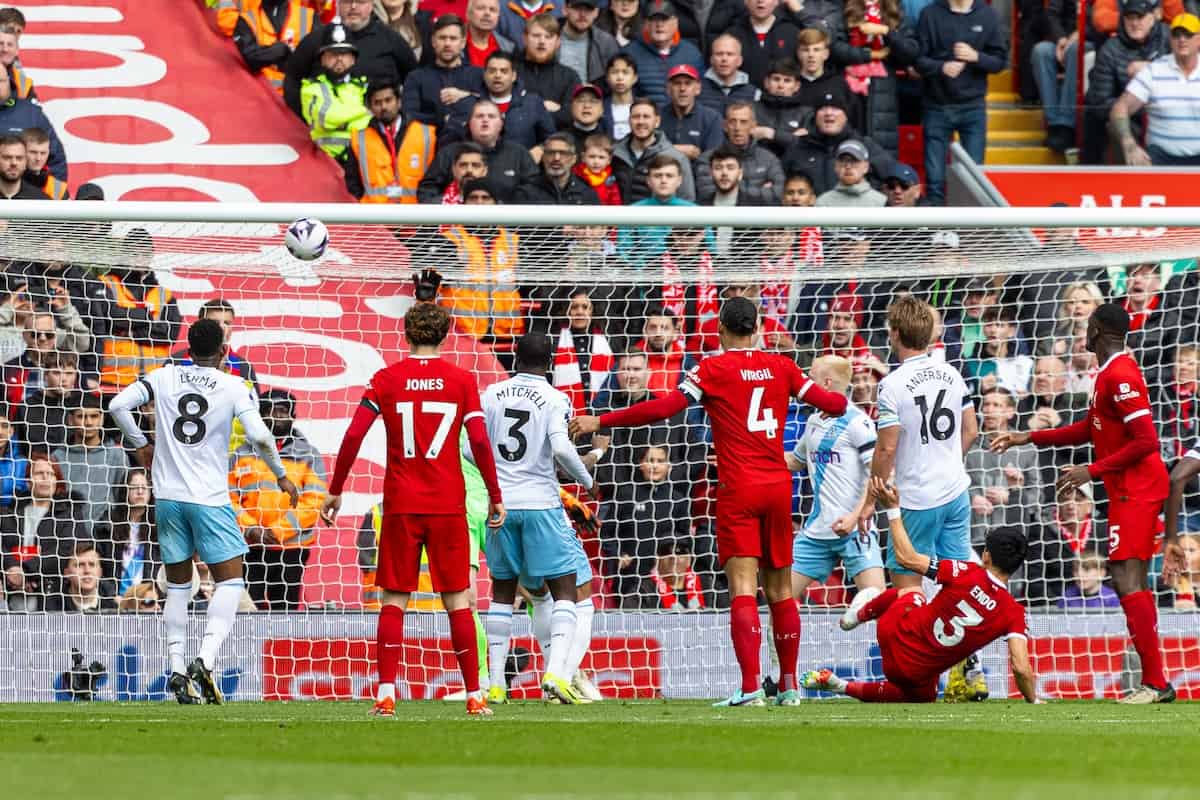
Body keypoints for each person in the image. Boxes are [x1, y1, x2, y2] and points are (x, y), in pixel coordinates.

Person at [570, 296, 849, 707]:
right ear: (758, 329)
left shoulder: (712, 368)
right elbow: (836, 404)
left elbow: (664, 407)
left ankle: (751, 687)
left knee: (742, 589)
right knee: (780, 592)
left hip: (738, 488)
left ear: (720, 330)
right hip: (777, 487)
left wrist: (602, 419)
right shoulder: (783, 367)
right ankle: (789, 687)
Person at [320, 271, 505, 718]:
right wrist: (495, 494)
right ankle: (476, 695)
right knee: (458, 598)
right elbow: (479, 442)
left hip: (401, 504)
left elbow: (353, 435)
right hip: (447, 504)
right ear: (446, 334)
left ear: (405, 332)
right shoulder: (461, 382)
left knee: (394, 599)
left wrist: (336, 489)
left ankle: (386, 693)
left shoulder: (386, 379)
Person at [108, 318, 298, 705]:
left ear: (188, 350)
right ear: (225, 351)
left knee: (178, 584)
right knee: (230, 581)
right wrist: (281, 476)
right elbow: (261, 435)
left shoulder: (164, 376)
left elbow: (116, 404)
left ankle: (177, 668)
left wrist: (141, 444)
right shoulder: (234, 386)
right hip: (209, 498)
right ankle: (205, 660)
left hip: (167, 499)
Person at [992, 303, 1175, 704]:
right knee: (1129, 577)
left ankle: (1156, 682)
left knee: (1128, 576)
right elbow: (1088, 430)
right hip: (1126, 488)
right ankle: (1154, 680)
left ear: (1097, 330)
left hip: (1138, 489)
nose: (1084, 333)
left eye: (1088, 327)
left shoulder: (1122, 374)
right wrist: (1029, 437)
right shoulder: (1106, 373)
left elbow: (1147, 441)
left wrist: (1089, 473)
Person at [804, 477, 1039, 704]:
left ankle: (861, 614)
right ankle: (845, 687)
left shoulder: (964, 571)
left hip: (892, 634)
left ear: (986, 555)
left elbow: (907, 559)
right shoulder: (1014, 613)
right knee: (923, 695)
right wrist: (1033, 699)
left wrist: (893, 510)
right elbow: (1020, 666)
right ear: (1017, 566)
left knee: (913, 592)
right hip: (911, 673)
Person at [860, 295, 983, 699]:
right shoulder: (951, 374)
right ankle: (971, 671)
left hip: (915, 500)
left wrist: (872, 498)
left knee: (909, 585)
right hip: (956, 491)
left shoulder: (892, 385)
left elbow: (887, 448)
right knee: (958, 582)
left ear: (894, 334)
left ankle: (921, 678)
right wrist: (947, 460)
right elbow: (971, 431)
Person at [476, 333, 596, 704]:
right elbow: (560, 446)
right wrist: (586, 479)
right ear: (551, 363)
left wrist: (494, 475)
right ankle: (556, 675)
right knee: (566, 588)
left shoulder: (491, 394)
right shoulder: (556, 398)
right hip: (542, 504)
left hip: (502, 506)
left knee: (502, 590)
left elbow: (470, 446)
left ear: (515, 355)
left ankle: (495, 685)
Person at [784, 356, 886, 613]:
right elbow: (794, 462)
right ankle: (778, 656)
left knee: (878, 604)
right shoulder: (813, 421)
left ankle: (885, 654)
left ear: (827, 383)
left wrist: (855, 516)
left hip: (854, 530)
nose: (805, 383)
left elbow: (876, 472)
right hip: (817, 532)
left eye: (811, 377)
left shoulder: (857, 422)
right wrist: (746, 453)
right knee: (780, 602)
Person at [231, 389, 328, 611]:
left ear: (293, 415)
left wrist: (278, 531)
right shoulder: (240, 454)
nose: (277, 416)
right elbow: (228, 497)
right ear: (260, 415)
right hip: (249, 548)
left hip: (291, 549)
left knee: (285, 612)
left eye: (283, 411)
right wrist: (250, 529)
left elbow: (314, 501)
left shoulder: (308, 454)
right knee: (246, 612)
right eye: (271, 411)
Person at [914, 0, 1008, 204]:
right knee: (935, 181)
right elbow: (918, 60)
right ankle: (936, 231)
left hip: (973, 106)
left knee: (974, 178)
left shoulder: (988, 15)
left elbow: (1000, 61)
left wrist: (977, 57)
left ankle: (970, 232)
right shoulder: (930, 14)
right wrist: (941, 67)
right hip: (936, 105)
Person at [283, 0, 418, 118]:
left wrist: (400, 115)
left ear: (372, 5)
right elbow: (292, 80)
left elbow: (414, 80)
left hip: (377, 134)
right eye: (347, 1)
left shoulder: (391, 40)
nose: (353, 6)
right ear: (338, 4)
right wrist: (306, 118)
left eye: (360, 2)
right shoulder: (317, 40)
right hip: (327, 136)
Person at [94, 229, 182, 392]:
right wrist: (147, 317)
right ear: (125, 254)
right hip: (113, 380)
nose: (140, 256)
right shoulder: (106, 283)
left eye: (145, 252)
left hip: (154, 384)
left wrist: (129, 331)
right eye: (134, 251)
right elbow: (109, 317)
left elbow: (169, 334)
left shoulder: (164, 294)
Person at [1082, 0, 1168, 164]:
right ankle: (1128, 183)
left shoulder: (1170, 38)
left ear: (1154, 17)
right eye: (1130, 18)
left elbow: (1187, 78)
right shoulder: (1110, 49)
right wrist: (1136, 106)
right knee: (1116, 127)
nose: (1135, 23)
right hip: (1129, 117)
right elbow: (1099, 103)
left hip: (1168, 116)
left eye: (1140, 17)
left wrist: (1152, 70)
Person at [0, 453, 88, 611]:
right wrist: (12, 568)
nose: (45, 478)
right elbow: (2, 546)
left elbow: (67, 550)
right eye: (39, 473)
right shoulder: (9, 513)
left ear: (57, 480)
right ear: (28, 481)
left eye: (51, 474)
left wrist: (25, 571)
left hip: (54, 597)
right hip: (11, 594)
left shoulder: (70, 513)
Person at [1111, 13, 1200, 165]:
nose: (1182, 40)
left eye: (1188, 34)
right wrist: (1129, 144)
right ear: (1170, 39)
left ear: (1198, 39)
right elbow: (1120, 108)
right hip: (1160, 158)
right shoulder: (1154, 70)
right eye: (1176, 35)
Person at [416, 100, 539, 201]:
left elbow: (534, 189)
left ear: (501, 124)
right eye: (479, 116)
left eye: (491, 116)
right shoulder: (449, 153)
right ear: (469, 123)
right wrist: (449, 205)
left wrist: (505, 209)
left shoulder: (518, 153)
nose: (485, 120)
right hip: (455, 224)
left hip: (507, 224)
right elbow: (427, 191)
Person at [966, 387, 1040, 551]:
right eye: (986, 404)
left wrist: (1010, 498)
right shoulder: (967, 445)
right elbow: (951, 484)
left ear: (1010, 412)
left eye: (997, 405)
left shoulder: (1025, 448)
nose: (989, 410)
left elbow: (1037, 496)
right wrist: (971, 499)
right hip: (972, 537)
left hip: (1010, 539)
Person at [346, 82, 433, 203]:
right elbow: (352, 182)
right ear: (370, 108)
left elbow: (434, 179)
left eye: (388, 100)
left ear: (399, 102)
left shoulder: (426, 134)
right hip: (375, 216)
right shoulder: (359, 139)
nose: (384, 107)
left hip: (415, 215)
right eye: (377, 103)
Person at [52, 393, 129, 528]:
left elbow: (123, 498)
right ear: (70, 420)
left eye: (94, 416)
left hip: (106, 536)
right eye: (81, 416)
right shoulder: (57, 457)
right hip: (67, 534)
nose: (88, 422)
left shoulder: (116, 455)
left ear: (102, 419)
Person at [401, 15, 485, 134]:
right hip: (430, 143)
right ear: (433, 41)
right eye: (442, 38)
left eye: (453, 38)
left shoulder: (478, 75)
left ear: (463, 43)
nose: (447, 44)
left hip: (472, 144)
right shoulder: (416, 77)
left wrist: (467, 96)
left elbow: (492, 108)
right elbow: (408, 115)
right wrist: (441, 120)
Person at [300, 20, 371, 159]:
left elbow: (372, 124)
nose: (339, 58)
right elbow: (326, 119)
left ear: (353, 59)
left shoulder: (365, 85)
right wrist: (365, 111)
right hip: (326, 163)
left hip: (361, 161)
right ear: (322, 59)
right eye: (333, 54)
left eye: (344, 53)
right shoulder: (310, 88)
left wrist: (341, 121)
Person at [694, 101, 785, 204]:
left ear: (753, 126)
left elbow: (779, 193)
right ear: (725, 126)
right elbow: (707, 193)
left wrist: (734, 192)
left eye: (743, 122)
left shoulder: (769, 159)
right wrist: (760, 190)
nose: (737, 128)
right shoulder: (707, 158)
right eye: (733, 122)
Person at [611, 98, 696, 203]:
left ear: (657, 121)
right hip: (618, 218)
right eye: (636, 117)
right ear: (629, 121)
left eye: (646, 117)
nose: (641, 122)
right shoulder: (614, 154)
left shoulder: (676, 158)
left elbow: (686, 201)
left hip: (659, 218)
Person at [228, 0, 321, 95]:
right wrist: (278, 52)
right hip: (259, 96)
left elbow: (320, 63)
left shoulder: (309, 17)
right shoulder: (247, 19)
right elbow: (248, 57)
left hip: (299, 98)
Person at [94, 467, 159, 597]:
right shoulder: (108, 525)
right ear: (125, 491)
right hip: (116, 599)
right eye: (134, 487)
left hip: (148, 600)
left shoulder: (159, 527)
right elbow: (99, 566)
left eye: (145, 487)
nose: (140, 492)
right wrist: (112, 596)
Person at [624, 0, 703, 107]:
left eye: (664, 19)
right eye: (654, 19)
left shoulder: (692, 54)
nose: (659, 24)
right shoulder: (629, 54)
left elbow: (702, 95)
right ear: (646, 24)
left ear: (675, 22)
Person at [0, 78, 66, 182]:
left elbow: (56, 158)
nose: (38, 158)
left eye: (1, 80)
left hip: (27, 190)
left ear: (8, 82)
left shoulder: (30, 113)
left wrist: (49, 192)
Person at [659, 64, 724, 160]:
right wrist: (675, 150)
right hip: (663, 172)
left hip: (699, 173)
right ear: (668, 89)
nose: (682, 89)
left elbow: (714, 157)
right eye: (677, 83)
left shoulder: (712, 118)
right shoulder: (657, 116)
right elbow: (648, 151)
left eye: (688, 83)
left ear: (697, 89)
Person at [46, 542, 118, 613]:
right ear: (66, 573)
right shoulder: (52, 607)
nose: (87, 571)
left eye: (92, 565)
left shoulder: (113, 606)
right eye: (79, 565)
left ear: (100, 572)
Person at [560, 0, 620, 82]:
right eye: (577, 8)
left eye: (589, 9)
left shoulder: (606, 42)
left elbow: (614, 80)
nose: (582, 14)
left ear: (596, 12)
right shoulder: (547, 37)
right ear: (565, 10)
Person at [814, 138, 887, 207]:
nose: (848, 166)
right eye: (843, 161)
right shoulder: (823, 203)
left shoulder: (881, 202)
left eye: (854, 161)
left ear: (866, 167)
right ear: (836, 167)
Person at [699, 33, 758, 113]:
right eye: (719, 54)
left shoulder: (754, 93)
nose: (724, 59)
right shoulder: (697, 89)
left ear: (739, 60)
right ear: (711, 60)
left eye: (730, 54)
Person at [573, 131, 623, 204]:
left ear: (609, 160)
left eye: (601, 157)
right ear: (583, 157)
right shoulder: (576, 175)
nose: (596, 162)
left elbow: (615, 201)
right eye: (592, 157)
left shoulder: (610, 180)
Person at [20, 128, 66, 200]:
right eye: (33, 152)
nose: (38, 158)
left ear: (48, 153)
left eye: (43, 153)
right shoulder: (8, 182)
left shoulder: (58, 188)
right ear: (21, 151)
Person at [465, 0, 514, 67]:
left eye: (492, 10)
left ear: (498, 16)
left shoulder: (508, 48)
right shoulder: (454, 43)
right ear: (468, 14)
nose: (487, 13)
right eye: (481, 8)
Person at [0, 134, 46, 199]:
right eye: (7, 157)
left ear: (25, 163)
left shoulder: (40, 200)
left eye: (19, 158)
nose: (14, 163)